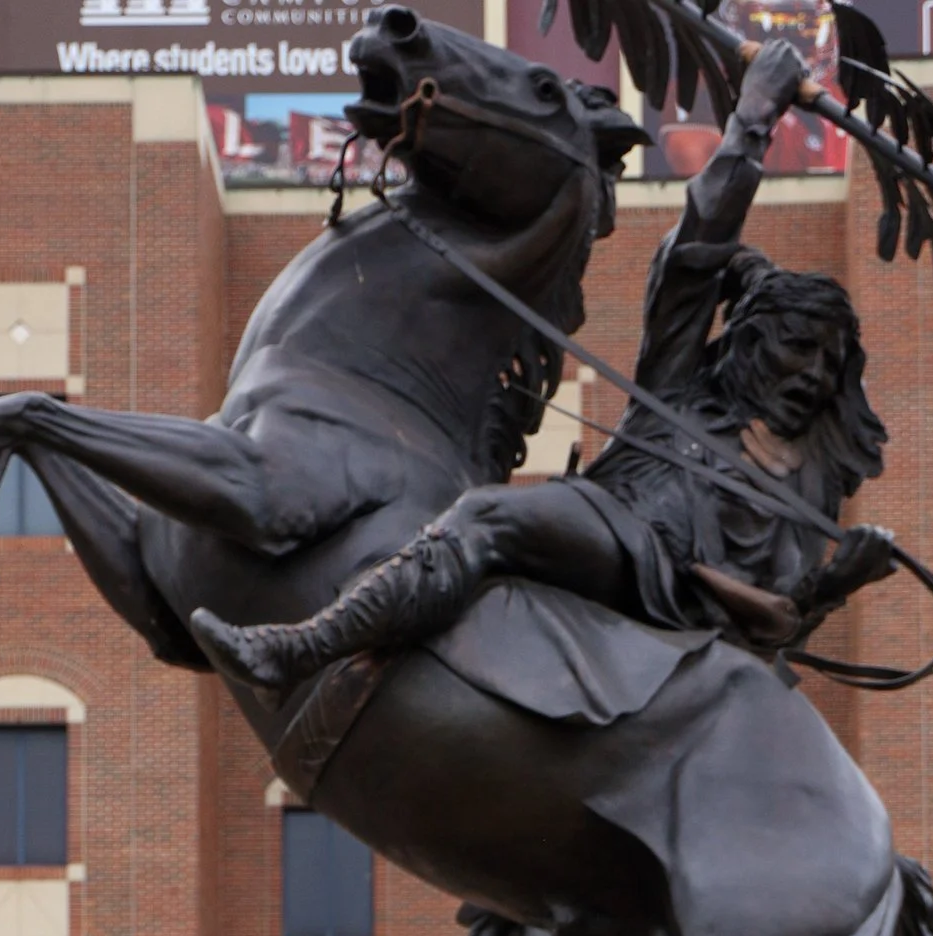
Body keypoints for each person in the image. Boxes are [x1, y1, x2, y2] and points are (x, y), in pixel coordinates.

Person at [190, 34, 895, 704]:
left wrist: (834, 584)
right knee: (485, 518)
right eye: (798, 349)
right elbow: (698, 245)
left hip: (688, 623)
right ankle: (303, 648)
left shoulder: (805, 484)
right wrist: (753, 117)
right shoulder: (681, 387)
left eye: (829, 363)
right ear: (748, 341)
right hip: (615, 539)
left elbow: (774, 625)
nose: (813, 375)